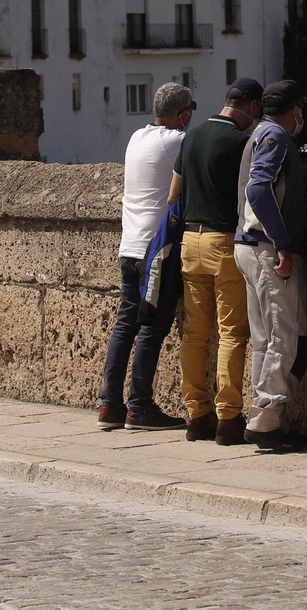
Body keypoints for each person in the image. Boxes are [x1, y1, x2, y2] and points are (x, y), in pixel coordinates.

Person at [233, 79, 307, 451]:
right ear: (293, 111)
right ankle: (265, 422)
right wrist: (282, 243)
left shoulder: (259, 134)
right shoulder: (274, 137)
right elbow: (258, 189)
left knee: (265, 340)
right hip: (267, 249)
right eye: (299, 109)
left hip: (249, 246)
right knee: (284, 339)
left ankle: (266, 419)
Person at [172, 77, 265, 445]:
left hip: (189, 242)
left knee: (194, 334)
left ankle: (196, 414)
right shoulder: (241, 142)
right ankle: (228, 418)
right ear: (253, 107)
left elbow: (172, 195)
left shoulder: (191, 135)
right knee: (231, 332)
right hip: (223, 241)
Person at [99, 82, 194, 432]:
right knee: (152, 328)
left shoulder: (136, 137)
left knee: (125, 325)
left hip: (129, 247)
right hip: (157, 251)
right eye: (189, 114)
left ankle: (110, 404)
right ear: (182, 114)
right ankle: (139, 407)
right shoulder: (176, 141)